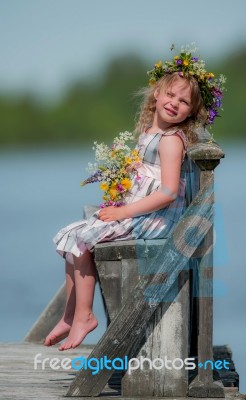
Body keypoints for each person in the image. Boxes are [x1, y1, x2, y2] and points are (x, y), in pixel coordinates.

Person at [44, 45, 225, 351]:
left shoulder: (170, 140)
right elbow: (145, 178)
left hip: (157, 220)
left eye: (183, 102)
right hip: (141, 211)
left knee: (83, 239)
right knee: (73, 235)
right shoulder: (150, 133)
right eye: (171, 94)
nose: (174, 103)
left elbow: (167, 193)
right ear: (157, 94)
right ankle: (70, 314)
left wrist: (122, 212)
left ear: (191, 112)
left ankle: (84, 316)